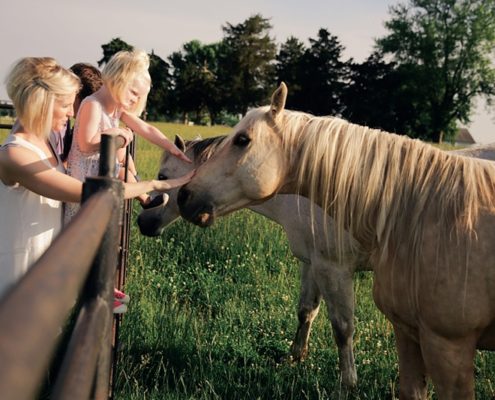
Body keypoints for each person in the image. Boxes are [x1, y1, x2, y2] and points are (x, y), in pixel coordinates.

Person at [0, 57, 193, 307]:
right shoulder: (15, 155)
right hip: (21, 273)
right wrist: (156, 185)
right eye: (67, 105)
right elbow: (88, 192)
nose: (72, 113)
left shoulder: (46, 141)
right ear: (42, 102)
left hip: (47, 267)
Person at [65, 49, 191, 222]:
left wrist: (170, 146)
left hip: (103, 174)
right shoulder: (92, 105)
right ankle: (145, 199)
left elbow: (145, 128)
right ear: (118, 79)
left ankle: (145, 199)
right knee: (81, 229)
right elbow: (86, 144)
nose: (135, 100)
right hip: (83, 178)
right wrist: (114, 133)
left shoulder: (117, 109)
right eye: (133, 92)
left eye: (140, 96)